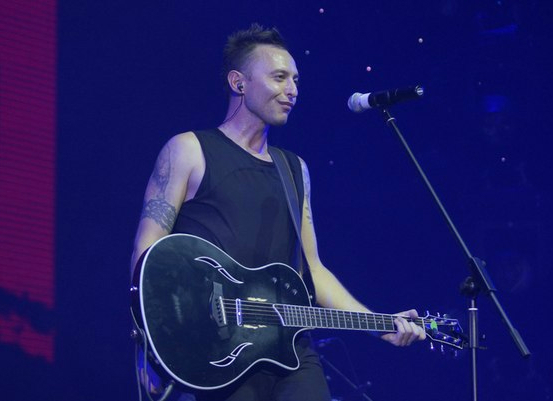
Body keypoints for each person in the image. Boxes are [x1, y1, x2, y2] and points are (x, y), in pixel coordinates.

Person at [131, 23, 426, 401]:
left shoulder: (294, 169)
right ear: (239, 82)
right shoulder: (189, 150)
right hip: (215, 348)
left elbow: (313, 270)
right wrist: (150, 344)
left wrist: (378, 324)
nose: (293, 90)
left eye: (296, 80)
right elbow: (148, 251)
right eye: (279, 77)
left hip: (287, 348)